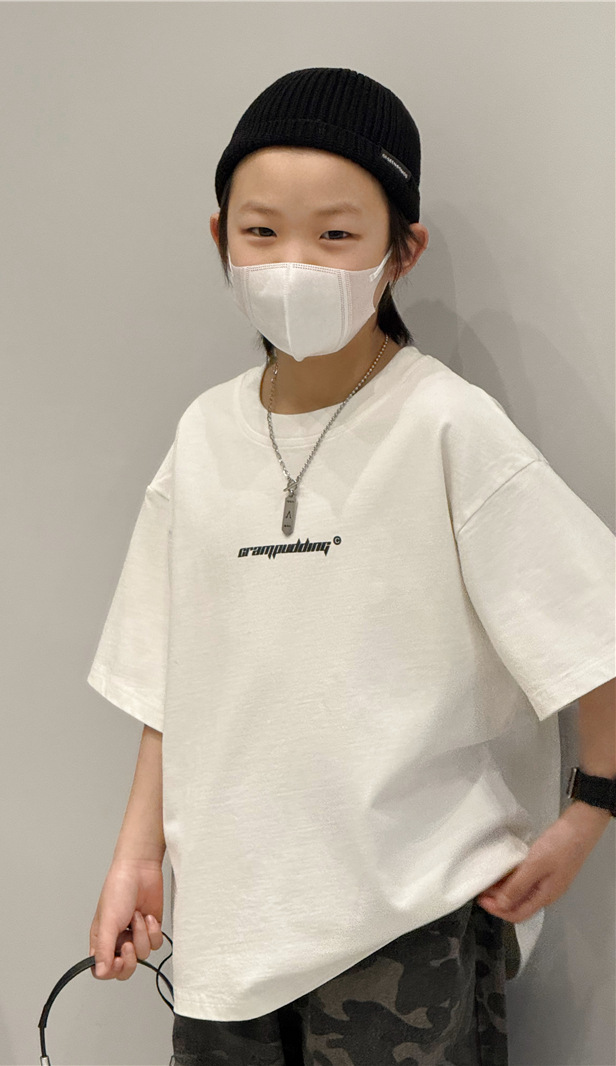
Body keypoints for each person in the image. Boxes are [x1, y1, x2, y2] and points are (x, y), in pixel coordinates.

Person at [85, 68, 615, 1065]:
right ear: (220, 238)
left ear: (400, 250)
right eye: (260, 231)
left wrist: (591, 810)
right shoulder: (202, 437)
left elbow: (594, 629)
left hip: (408, 929)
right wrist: (134, 858)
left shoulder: (444, 425)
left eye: (334, 234)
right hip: (229, 941)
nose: (292, 263)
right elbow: (169, 679)